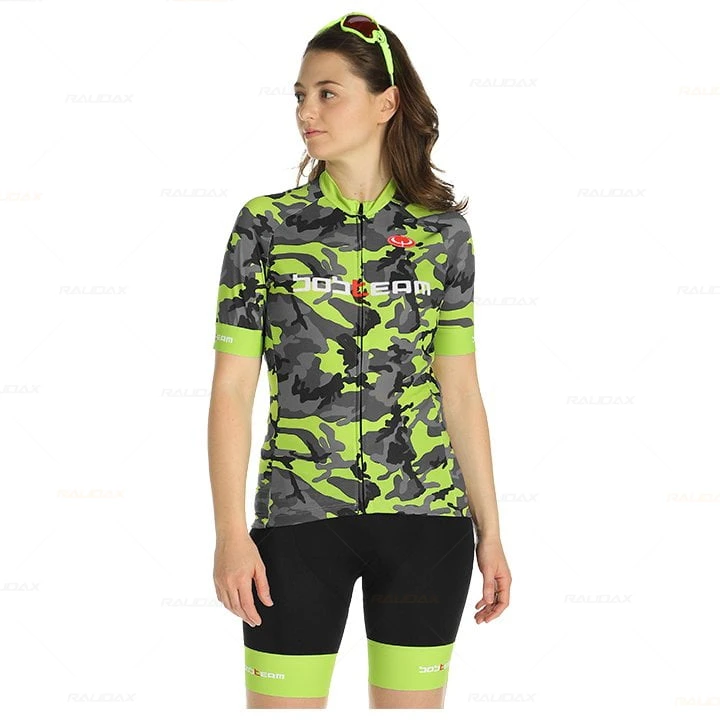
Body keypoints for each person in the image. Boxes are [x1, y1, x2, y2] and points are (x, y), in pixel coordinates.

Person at [207, 11, 511, 710]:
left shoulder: (443, 235)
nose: (306, 112)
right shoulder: (266, 226)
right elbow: (231, 391)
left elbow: (461, 389)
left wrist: (492, 533)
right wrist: (229, 534)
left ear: (386, 103)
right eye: (299, 95)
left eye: (327, 93)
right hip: (296, 521)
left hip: (427, 521)